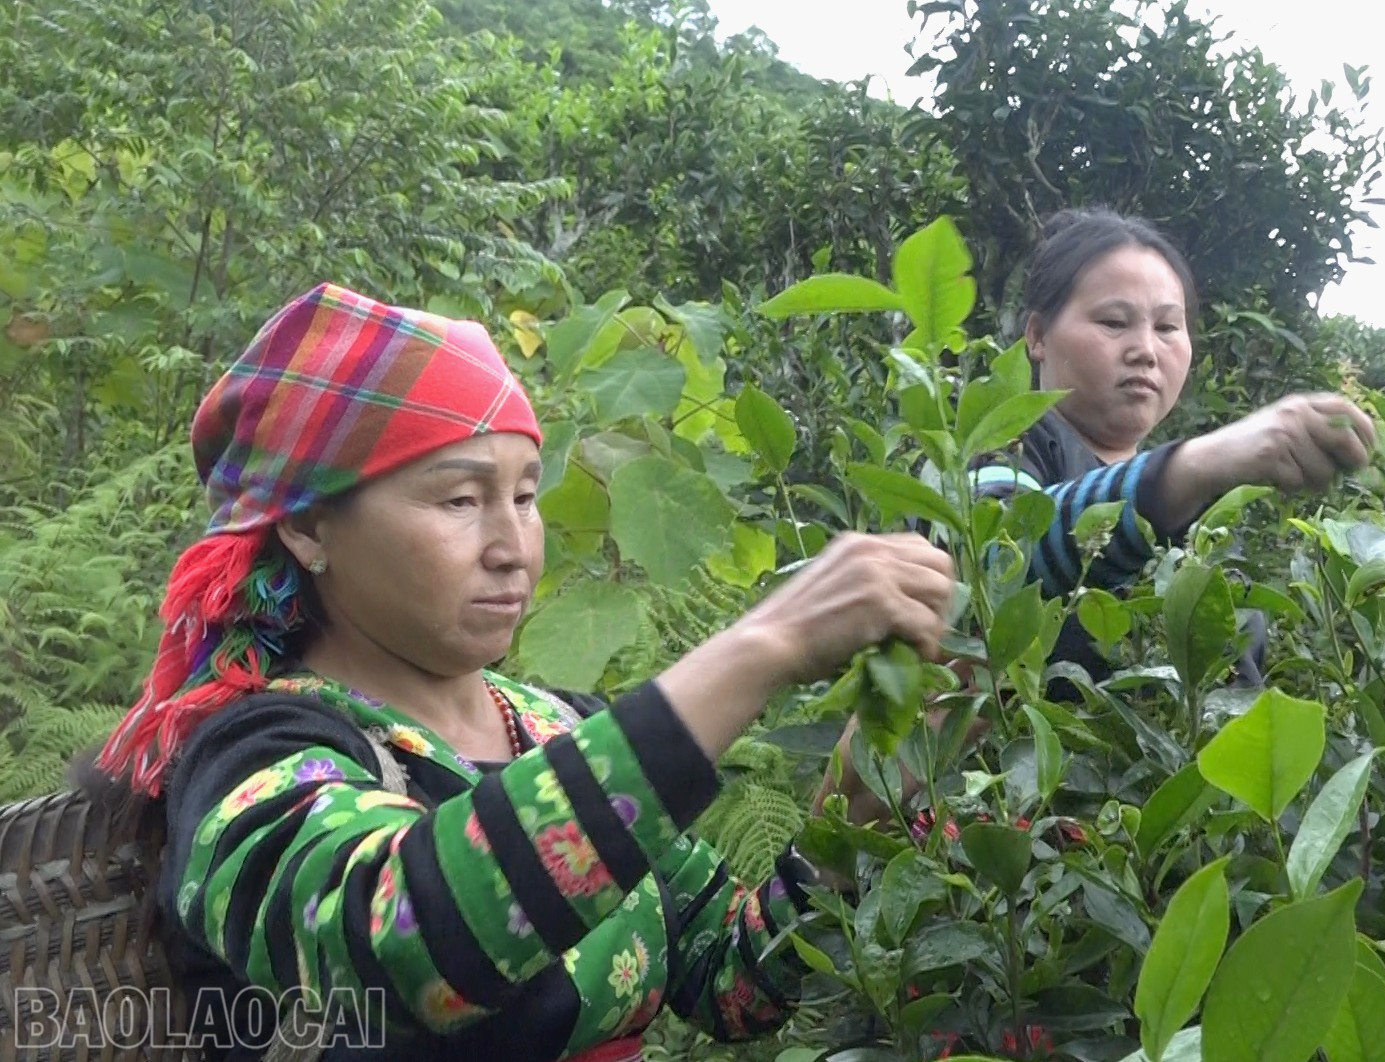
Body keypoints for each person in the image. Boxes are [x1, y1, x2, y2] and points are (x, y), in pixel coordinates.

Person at [78, 283, 959, 1062]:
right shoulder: (256, 753)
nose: (511, 547)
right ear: (309, 529)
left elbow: (732, 980)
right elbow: (403, 942)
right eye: (459, 499)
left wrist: (859, 806)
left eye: (526, 496)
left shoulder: (556, 727)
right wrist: (760, 646)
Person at [965, 206, 1379, 690]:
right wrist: (1192, 467)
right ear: (1037, 336)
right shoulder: (1006, 445)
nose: (1146, 349)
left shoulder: (1204, 510)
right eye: (1114, 322)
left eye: (1167, 327)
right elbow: (995, 564)